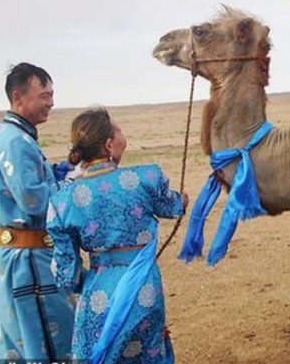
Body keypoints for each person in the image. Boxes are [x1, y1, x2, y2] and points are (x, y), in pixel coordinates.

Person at [46, 107, 187, 363]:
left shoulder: (62, 201)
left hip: (97, 290)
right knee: (146, 351)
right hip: (143, 285)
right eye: (119, 130)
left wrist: (88, 282)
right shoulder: (146, 178)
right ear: (109, 145)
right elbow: (174, 207)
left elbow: (65, 275)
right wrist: (184, 199)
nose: (124, 136)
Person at [0, 62, 76, 361]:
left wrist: (60, 172)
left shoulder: (14, 135)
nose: (51, 102)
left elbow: (33, 182)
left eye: (52, 95)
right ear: (18, 96)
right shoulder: (14, 140)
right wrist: (75, 184)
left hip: (23, 254)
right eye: (44, 95)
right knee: (46, 337)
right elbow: (33, 201)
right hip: (29, 260)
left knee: (22, 334)